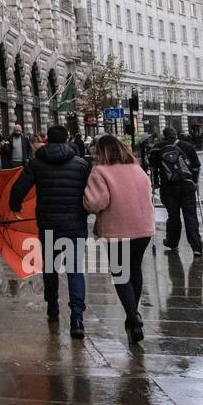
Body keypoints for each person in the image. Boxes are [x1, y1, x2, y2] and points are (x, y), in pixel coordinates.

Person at [8, 125, 92, 338]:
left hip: (48, 224)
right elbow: (90, 193)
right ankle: (77, 317)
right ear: (66, 139)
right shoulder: (81, 164)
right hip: (75, 224)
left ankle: (52, 305)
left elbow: (18, 189)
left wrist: (15, 205)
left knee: (51, 267)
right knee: (75, 270)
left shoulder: (36, 164)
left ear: (47, 141)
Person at [82, 135, 155, 343]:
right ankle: (133, 315)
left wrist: (84, 199)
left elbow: (96, 202)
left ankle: (132, 317)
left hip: (117, 230)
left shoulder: (100, 171)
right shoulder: (136, 167)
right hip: (143, 229)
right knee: (135, 270)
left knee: (121, 275)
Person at [149, 126, 203, 255]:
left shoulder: (157, 147)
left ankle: (172, 242)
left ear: (164, 135)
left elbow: (153, 169)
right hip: (187, 185)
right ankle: (196, 247)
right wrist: (194, 182)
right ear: (176, 135)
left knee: (173, 216)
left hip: (168, 187)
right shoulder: (187, 146)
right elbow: (196, 166)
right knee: (190, 216)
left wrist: (155, 183)